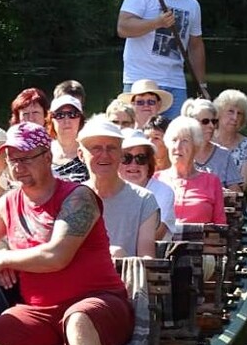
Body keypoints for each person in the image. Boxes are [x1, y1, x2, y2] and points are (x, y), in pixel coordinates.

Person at [0, 123, 133, 345]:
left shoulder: (78, 197)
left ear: (47, 156)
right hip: (39, 312)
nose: (18, 166)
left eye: (26, 157)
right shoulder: (8, 202)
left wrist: (3, 258)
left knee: (78, 320)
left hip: (98, 304)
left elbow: (56, 256)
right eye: (13, 159)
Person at [116, 0, 208, 117]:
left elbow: (195, 46)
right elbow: (123, 27)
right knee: (139, 138)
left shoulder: (192, 4)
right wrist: (156, 23)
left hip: (176, 83)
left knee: (177, 140)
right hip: (140, 80)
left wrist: (202, 86)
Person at [77, 116, 158, 258]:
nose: (104, 155)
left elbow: (147, 260)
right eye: (96, 148)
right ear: (81, 155)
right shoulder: (71, 200)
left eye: (111, 148)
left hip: (126, 278)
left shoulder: (144, 200)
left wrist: (123, 259)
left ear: (121, 154)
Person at [160, 118, 226, 224]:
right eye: (174, 140)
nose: (177, 146)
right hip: (161, 240)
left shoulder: (212, 181)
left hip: (200, 240)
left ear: (196, 147)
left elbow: (220, 225)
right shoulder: (156, 179)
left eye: (185, 141)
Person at [118, 128, 176, 242]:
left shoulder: (163, 192)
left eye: (141, 158)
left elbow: (154, 236)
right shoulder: (108, 191)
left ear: (149, 163)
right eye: (126, 158)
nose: (134, 164)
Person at [180, 99, 242, 190]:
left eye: (213, 122)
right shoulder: (179, 152)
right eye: (205, 121)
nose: (211, 126)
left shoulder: (224, 155)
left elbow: (237, 194)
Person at [214, 89, 247, 187]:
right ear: (218, 113)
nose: (235, 117)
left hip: (232, 198)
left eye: (239, 113)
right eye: (230, 111)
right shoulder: (205, 139)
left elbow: (243, 183)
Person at [48, 94, 88, 182]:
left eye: (72, 114)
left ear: (80, 119)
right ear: (51, 120)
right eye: (59, 115)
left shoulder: (89, 153)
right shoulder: (43, 152)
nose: (67, 120)